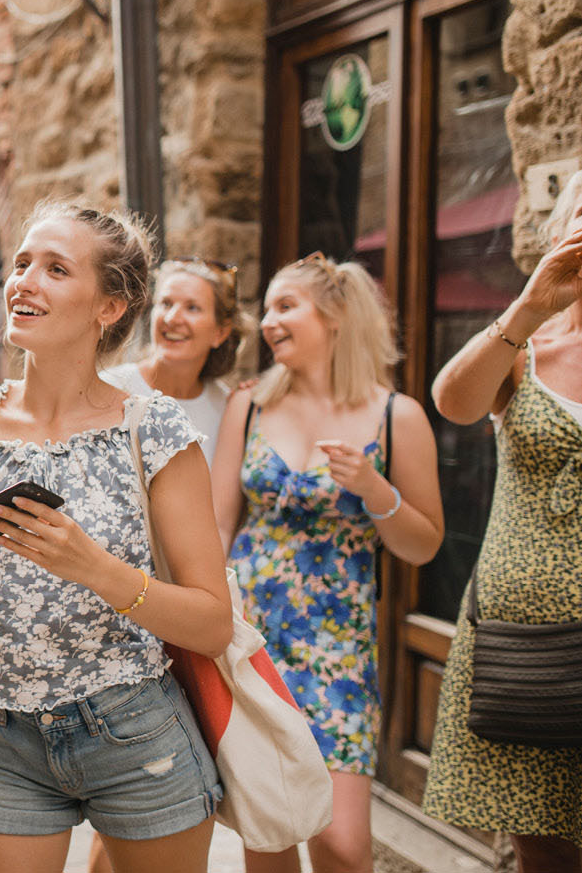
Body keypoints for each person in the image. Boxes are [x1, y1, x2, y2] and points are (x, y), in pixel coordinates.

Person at [0, 199, 232, 873]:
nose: (23, 281)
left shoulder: (154, 429)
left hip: (136, 731)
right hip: (4, 735)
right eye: (22, 262)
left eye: (55, 268)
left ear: (107, 306)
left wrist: (92, 565)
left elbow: (211, 623)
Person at [212, 253, 444, 873]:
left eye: (286, 306)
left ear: (337, 316)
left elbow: (422, 543)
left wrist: (376, 491)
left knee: (342, 848)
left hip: (337, 650)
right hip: (253, 646)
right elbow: (216, 527)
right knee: (269, 835)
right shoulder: (249, 405)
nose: (268, 322)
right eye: (267, 309)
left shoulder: (398, 416)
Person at [422, 170, 582, 872]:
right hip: (521, 648)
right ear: (556, 231)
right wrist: (525, 309)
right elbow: (451, 402)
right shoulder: (525, 350)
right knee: (539, 840)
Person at [102, 256, 254, 465]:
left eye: (192, 308)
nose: (171, 318)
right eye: (165, 303)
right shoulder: (110, 386)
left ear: (220, 332)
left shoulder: (226, 409)